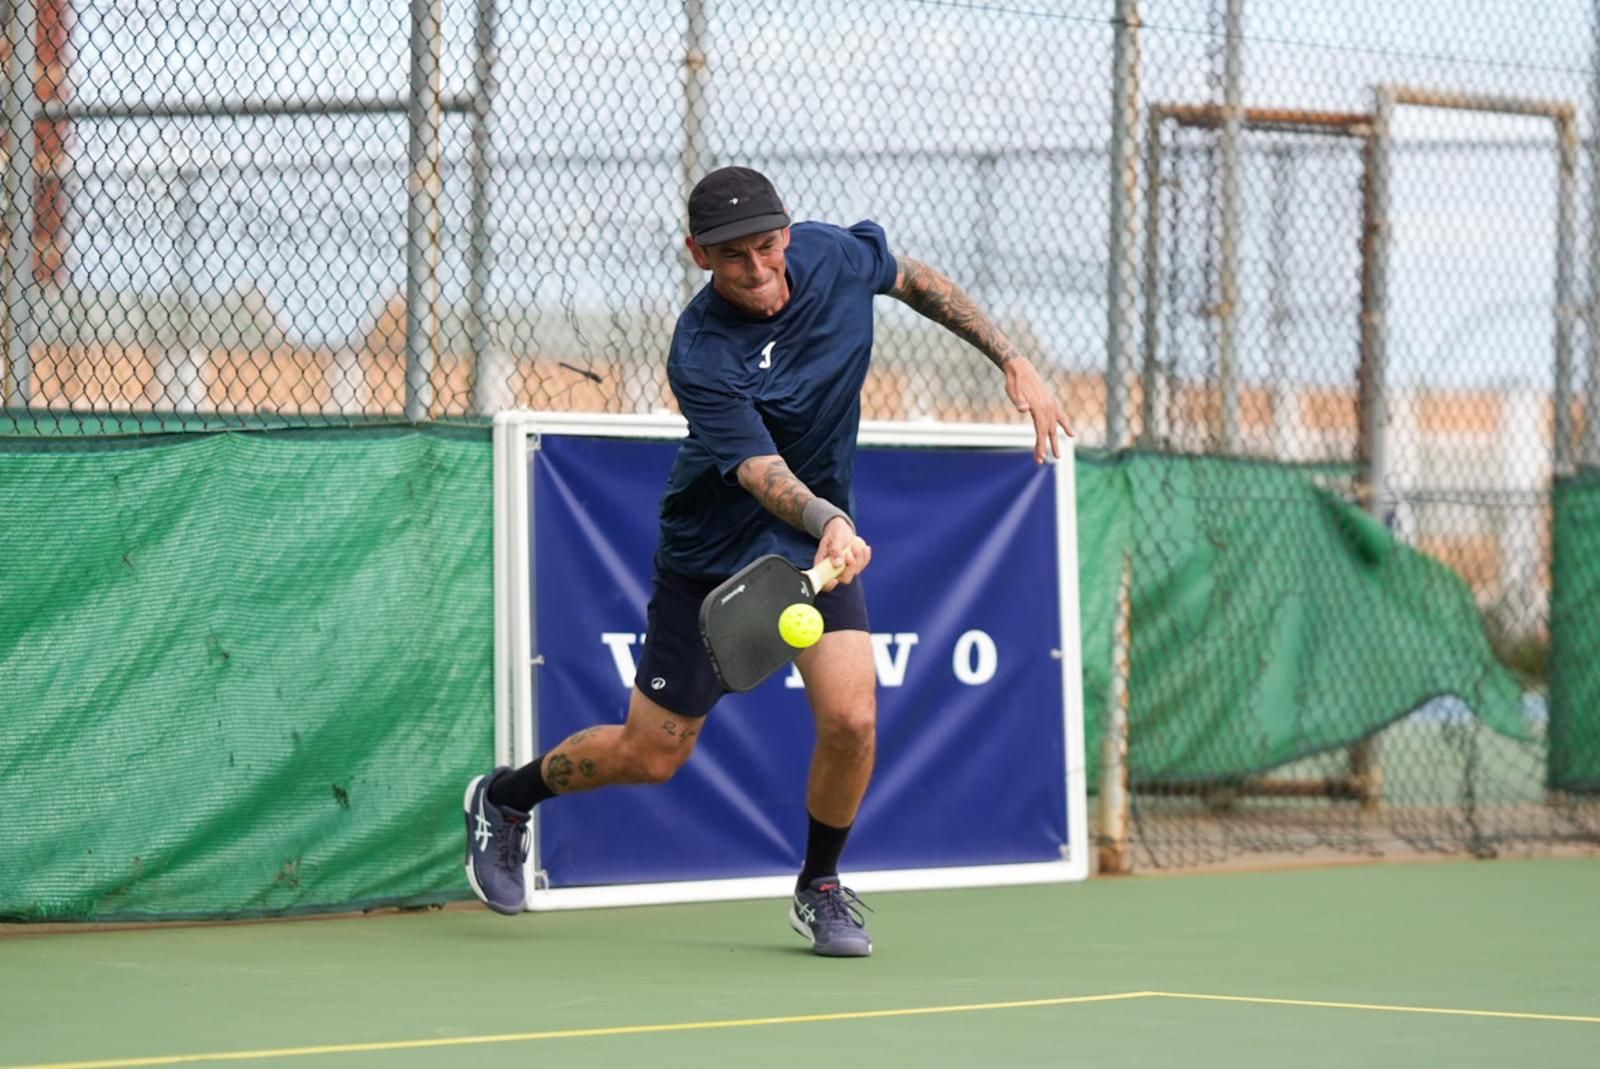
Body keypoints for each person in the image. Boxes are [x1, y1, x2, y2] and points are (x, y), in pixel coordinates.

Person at [464, 166, 1072, 956]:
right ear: (698, 255)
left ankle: (820, 884)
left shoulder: (833, 257)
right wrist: (830, 518)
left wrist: (1010, 358)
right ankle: (506, 797)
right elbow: (760, 471)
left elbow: (917, 281)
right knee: (653, 753)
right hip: (713, 555)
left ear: (786, 232)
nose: (756, 269)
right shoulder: (700, 351)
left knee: (852, 719)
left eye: (766, 246)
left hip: (811, 547)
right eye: (732, 256)